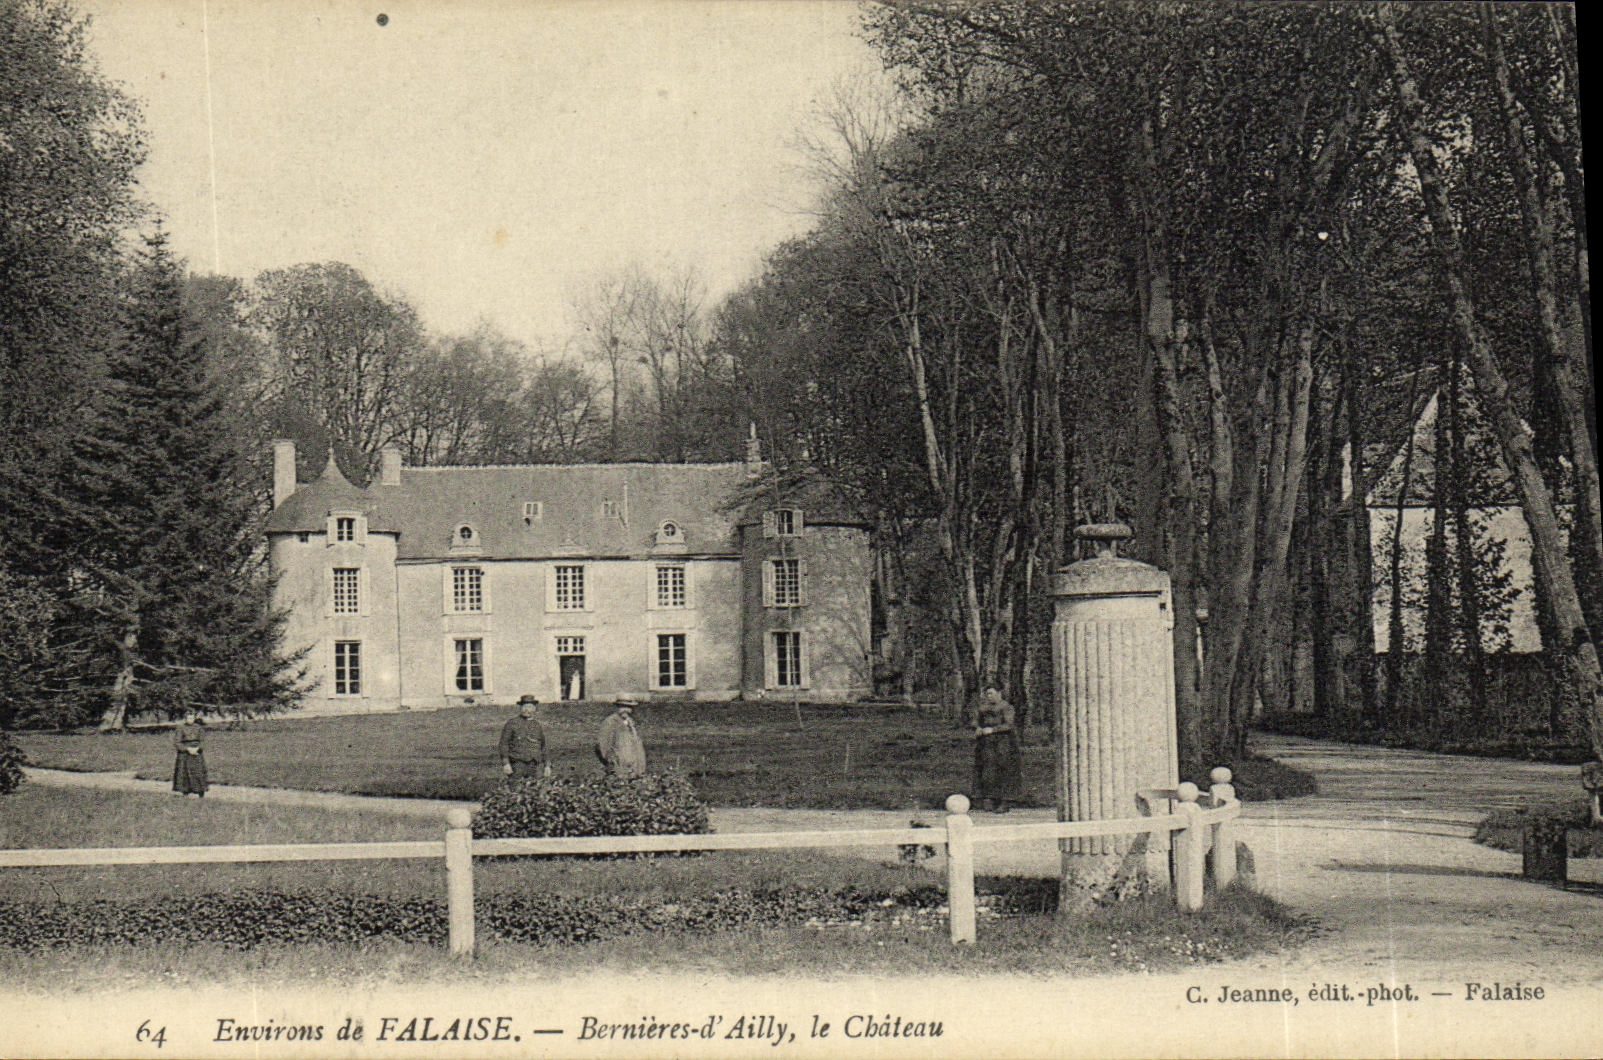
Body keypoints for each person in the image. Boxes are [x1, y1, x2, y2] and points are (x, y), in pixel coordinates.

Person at [972, 686, 1021, 813]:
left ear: (999, 693)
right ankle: (989, 798)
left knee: (1003, 768)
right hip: (986, 743)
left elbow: (1009, 724)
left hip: (1003, 741)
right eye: (987, 694)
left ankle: (1004, 801)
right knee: (987, 768)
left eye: (992, 693)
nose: (989, 696)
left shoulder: (1006, 707)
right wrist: (977, 727)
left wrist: (993, 730)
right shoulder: (983, 708)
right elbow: (976, 721)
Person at [498, 695, 550, 783]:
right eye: (525, 706)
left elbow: (543, 746)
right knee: (516, 790)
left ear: (534, 709)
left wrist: (547, 765)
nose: (527, 710)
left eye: (530, 707)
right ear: (521, 708)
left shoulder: (537, 725)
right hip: (517, 763)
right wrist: (506, 763)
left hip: (535, 764)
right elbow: (504, 744)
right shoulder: (512, 723)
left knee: (537, 789)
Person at [595, 698, 647, 778]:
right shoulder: (610, 722)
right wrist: (612, 762)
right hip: (619, 768)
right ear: (617, 707)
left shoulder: (630, 723)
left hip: (634, 767)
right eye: (623, 707)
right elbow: (603, 745)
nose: (626, 710)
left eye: (629, 707)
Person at [171, 709, 208, 798]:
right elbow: (177, 742)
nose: (190, 720)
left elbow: (202, 741)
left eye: (192, 718)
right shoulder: (180, 728)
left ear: (194, 718)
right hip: (185, 753)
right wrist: (187, 749)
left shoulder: (199, 728)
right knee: (184, 772)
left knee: (198, 772)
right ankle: (185, 791)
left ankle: (200, 791)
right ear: (185, 718)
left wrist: (197, 748)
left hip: (196, 752)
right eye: (188, 718)